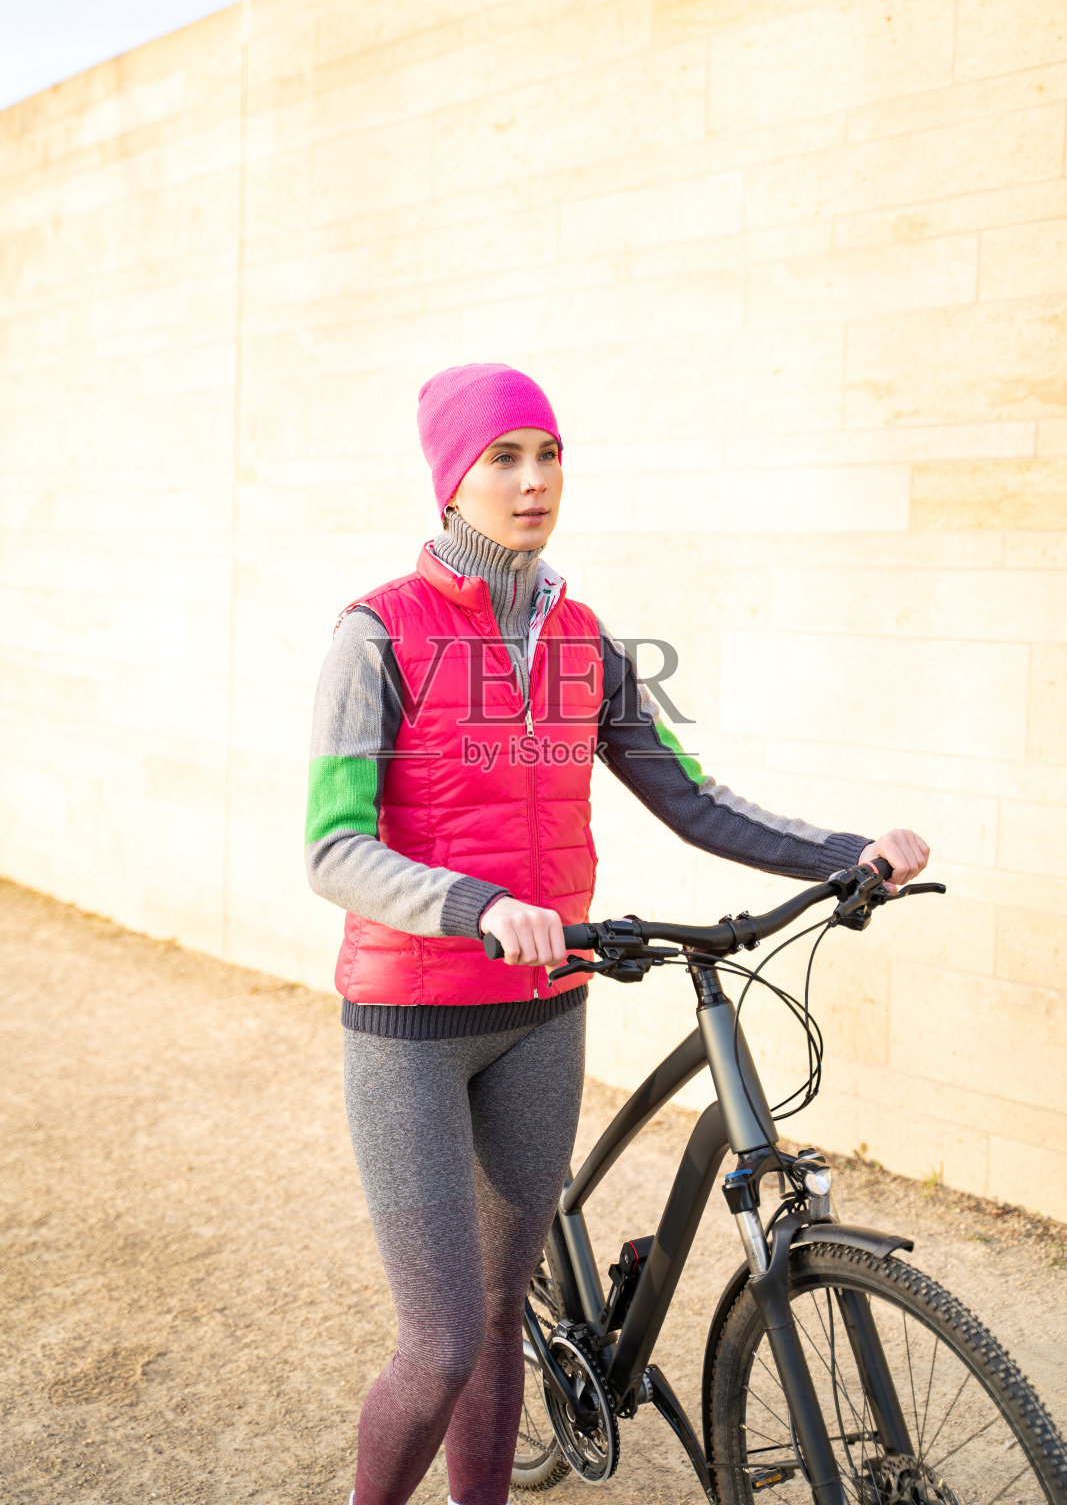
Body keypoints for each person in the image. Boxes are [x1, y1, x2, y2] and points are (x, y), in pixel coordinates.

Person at [304, 363, 929, 1505]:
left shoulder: (584, 639)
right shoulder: (376, 635)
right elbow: (331, 849)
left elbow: (692, 797)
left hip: (544, 1013)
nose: (532, 480)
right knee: (441, 1340)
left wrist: (846, 853)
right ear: (451, 477)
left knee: (499, 1319)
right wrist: (476, 905)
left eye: (547, 454)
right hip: (412, 1023)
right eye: (502, 457)